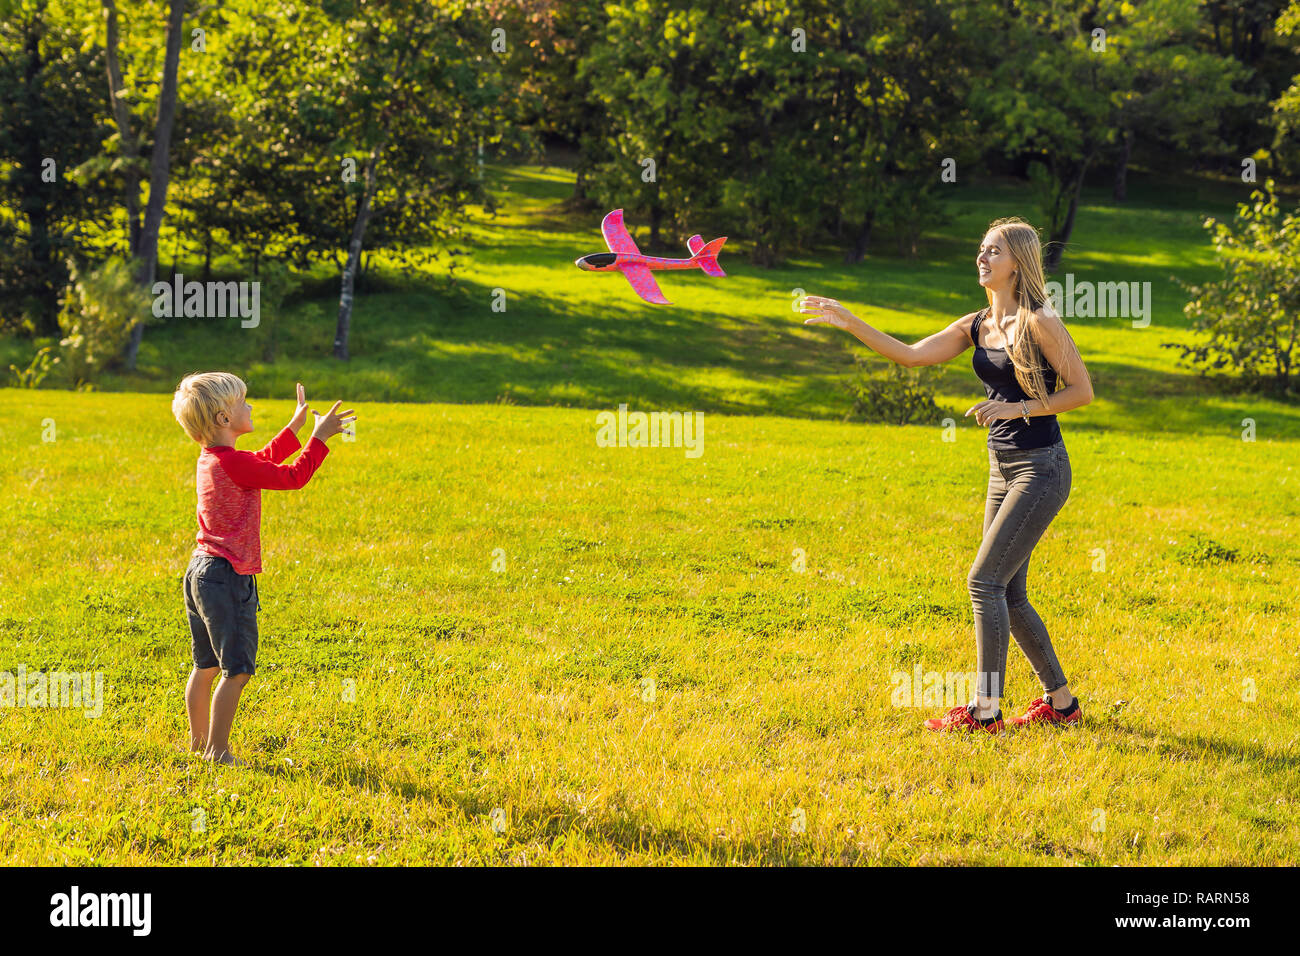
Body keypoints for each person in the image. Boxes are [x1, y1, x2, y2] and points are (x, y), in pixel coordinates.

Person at [799, 217, 1095, 735]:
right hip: (1001, 467)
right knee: (1009, 590)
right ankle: (1063, 704)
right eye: (981, 250)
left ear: (1018, 262)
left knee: (984, 582)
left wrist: (1018, 408)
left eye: (994, 252)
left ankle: (985, 712)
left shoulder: (1039, 321)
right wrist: (851, 321)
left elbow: (1082, 391)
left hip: (1042, 467)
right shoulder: (978, 323)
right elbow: (913, 356)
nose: (982, 258)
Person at [171, 374, 356, 764]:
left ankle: (197, 742)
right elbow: (292, 477)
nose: (250, 408)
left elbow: (260, 461)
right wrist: (318, 440)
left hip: (200, 572)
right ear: (223, 418)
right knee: (236, 671)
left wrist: (296, 427)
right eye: (243, 403)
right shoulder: (234, 463)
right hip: (226, 577)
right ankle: (218, 752)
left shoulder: (214, 459)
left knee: (205, 666)